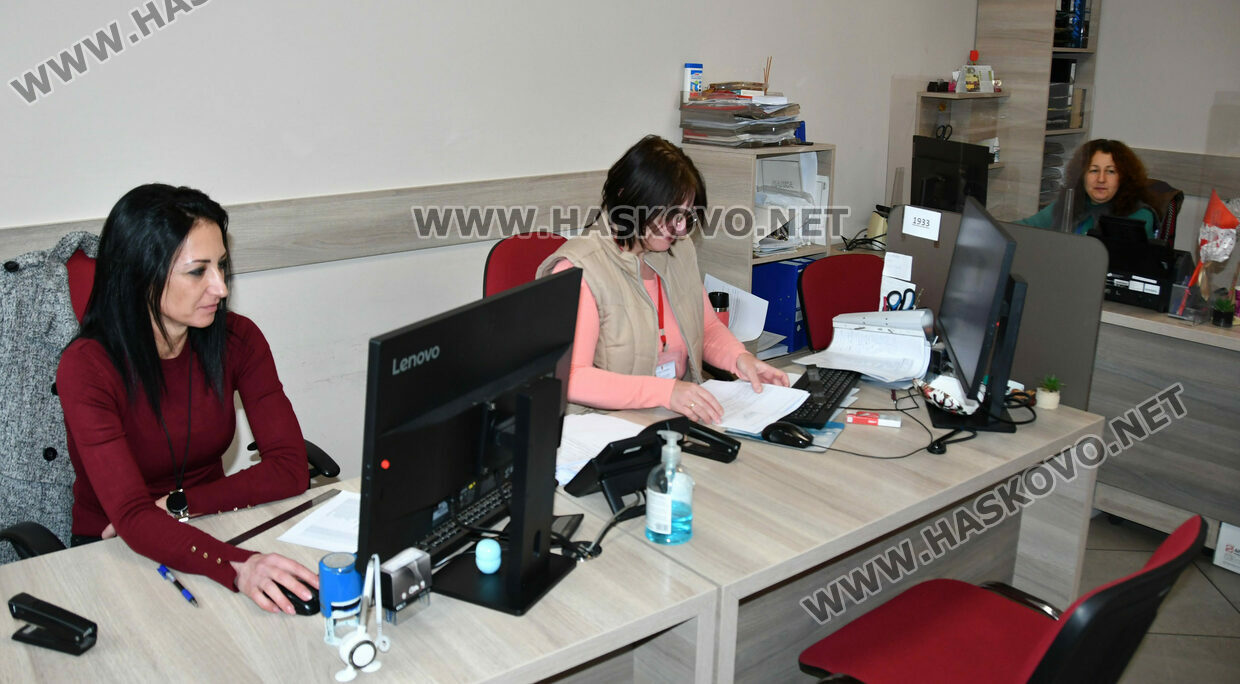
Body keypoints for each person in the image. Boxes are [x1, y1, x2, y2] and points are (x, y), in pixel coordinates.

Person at [56, 183, 318, 614]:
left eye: (221, 266)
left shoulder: (238, 339)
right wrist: (237, 565)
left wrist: (182, 505)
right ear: (141, 274)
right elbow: (131, 517)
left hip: (215, 526)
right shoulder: (87, 367)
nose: (220, 287)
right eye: (198, 271)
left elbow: (290, 469)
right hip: (113, 548)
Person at [537, 135, 788, 424]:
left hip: (669, 417)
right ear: (629, 199)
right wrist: (665, 392)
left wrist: (741, 359)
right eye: (670, 216)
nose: (680, 229)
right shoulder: (581, 269)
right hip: (606, 426)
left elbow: (705, 327)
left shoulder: (678, 251)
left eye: (686, 217)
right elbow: (572, 377)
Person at [1017, 138, 1158, 238]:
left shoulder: (1138, 216)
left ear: (1124, 177)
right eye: (1094, 170)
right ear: (1082, 175)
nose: (1101, 179)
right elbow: (1023, 229)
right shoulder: (1068, 204)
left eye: (1110, 171)